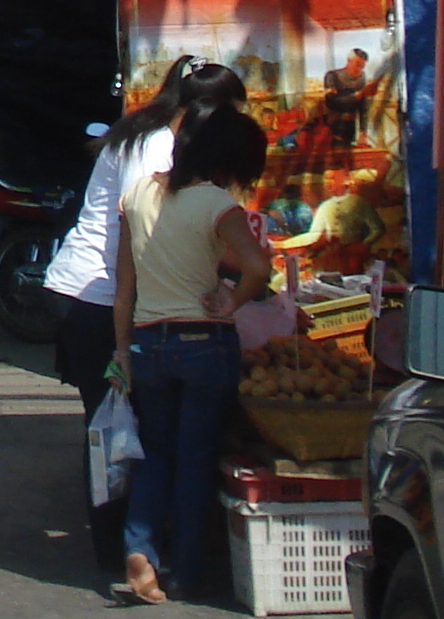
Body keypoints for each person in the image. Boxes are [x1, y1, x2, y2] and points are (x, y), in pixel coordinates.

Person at [42, 61, 246, 583]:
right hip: (100, 297)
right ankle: (120, 548)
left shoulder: (145, 131)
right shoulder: (155, 146)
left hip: (98, 293)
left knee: (121, 428)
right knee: (115, 430)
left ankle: (131, 546)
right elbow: (140, 234)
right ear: (209, 110)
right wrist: (131, 337)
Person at [113, 105, 276, 606]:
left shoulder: (137, 195)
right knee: (195, 459)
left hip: (148, 342)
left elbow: (124, 289)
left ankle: (139, 550)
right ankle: (183, 572)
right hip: (203, 345)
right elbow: (257, 267)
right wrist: (233, 299)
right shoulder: (216, 204)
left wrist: (123, 352)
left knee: (156, 454)